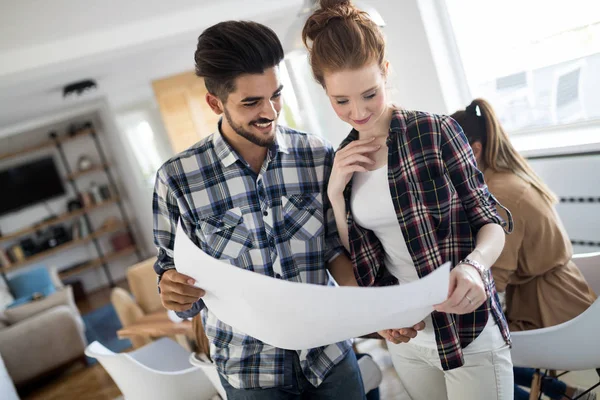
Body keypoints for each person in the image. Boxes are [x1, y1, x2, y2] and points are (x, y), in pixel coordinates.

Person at [301, 1, 515, 399]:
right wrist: (335, 194)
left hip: (468, 327)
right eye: (341, 100)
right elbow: (361, 259)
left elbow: (491, 220)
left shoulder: (436, 132)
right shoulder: (341, 162)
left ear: (385, 71)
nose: (358, 112)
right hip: (409, 339)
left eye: (369, 94)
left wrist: (474, 266)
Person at [152, 19, 375, 400]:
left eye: (276, 95)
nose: (271, 112)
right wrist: (172, 292)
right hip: (250, 371)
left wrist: (374, 310)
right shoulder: (177, 179)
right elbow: (170, 270)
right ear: (215, 103)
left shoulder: (316, 155)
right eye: (251, 102)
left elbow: (333, 248)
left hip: (329, 357)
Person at [451, 98, 597, 400]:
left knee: (466, 350)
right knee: (470, 346)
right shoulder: (504, 179)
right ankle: (567, 393)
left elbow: (494, 280)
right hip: (565, 299)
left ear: (473, 150)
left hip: (552, 311)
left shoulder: (501, 193)